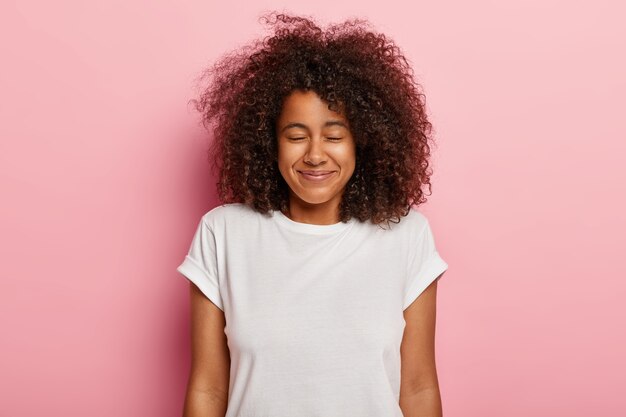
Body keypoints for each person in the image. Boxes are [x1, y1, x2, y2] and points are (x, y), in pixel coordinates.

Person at [177, 12, 449, 417]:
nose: (316, 154)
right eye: (297, 136)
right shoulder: (223, 233)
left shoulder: (406, 234)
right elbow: (208, 389)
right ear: (270, 142)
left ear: (363, 143)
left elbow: (418, 386)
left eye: (335, 136)